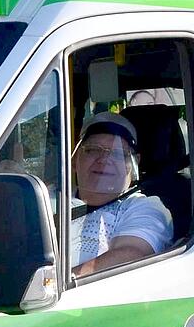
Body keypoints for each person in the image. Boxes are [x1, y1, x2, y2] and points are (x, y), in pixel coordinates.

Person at [70, 113, 172, 277]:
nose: (104, 160)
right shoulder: (50, 201)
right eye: (93, 150)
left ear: (133, 164)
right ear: (75, 159)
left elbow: (132, 255)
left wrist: (56, 285)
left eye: (118, 154)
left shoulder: (144, 207)